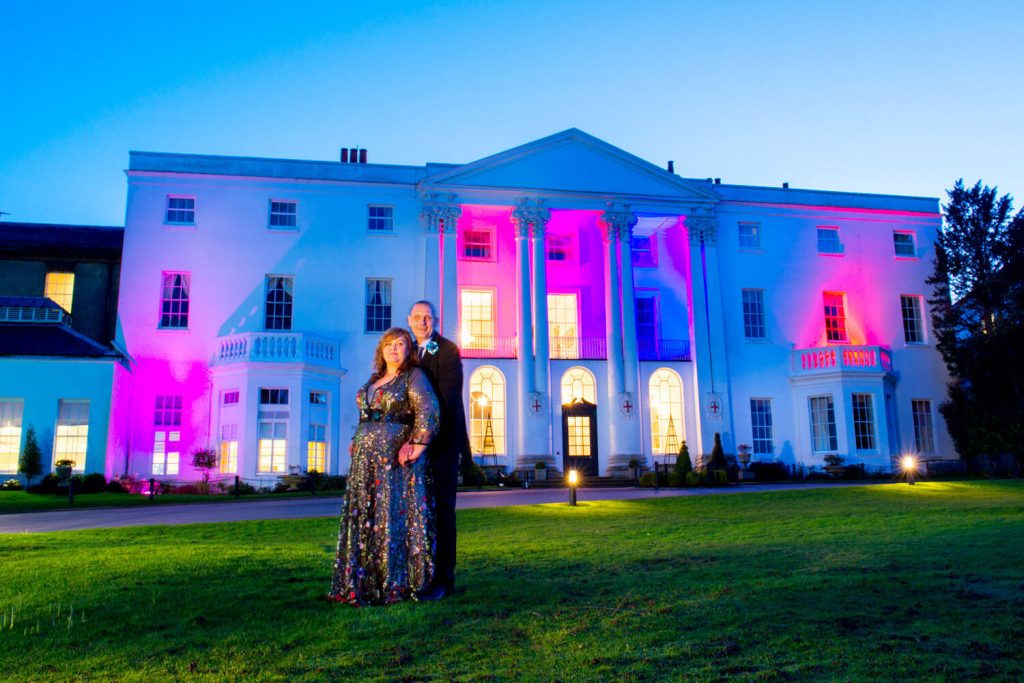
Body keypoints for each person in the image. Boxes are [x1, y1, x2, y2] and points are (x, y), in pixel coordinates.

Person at [329, 327, 440, 606]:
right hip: (365, 463)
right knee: (366, 517)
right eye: (389, 344)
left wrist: (417, 443)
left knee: (390, 515)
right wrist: (357, 439)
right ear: (381, 349)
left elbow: (429, 412)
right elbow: (367, 416)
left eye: (400, 344)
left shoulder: (414, 377)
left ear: (408, 350)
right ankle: (363, 582)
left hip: (394, 462)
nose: (394, 349)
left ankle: (395, 582)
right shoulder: (375, 379)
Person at [408, 300, 470, 601]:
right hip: (409, 447)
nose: (423, 322)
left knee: (443, 511)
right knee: (414, 512)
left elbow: (447, 401)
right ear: (409, 320)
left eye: (428, 317)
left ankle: (443, 578)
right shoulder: (404, 350)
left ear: (435, 321)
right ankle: (415, 574)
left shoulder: (447, 351)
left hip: (442, 444)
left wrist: (424, 439)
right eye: (418, 317)